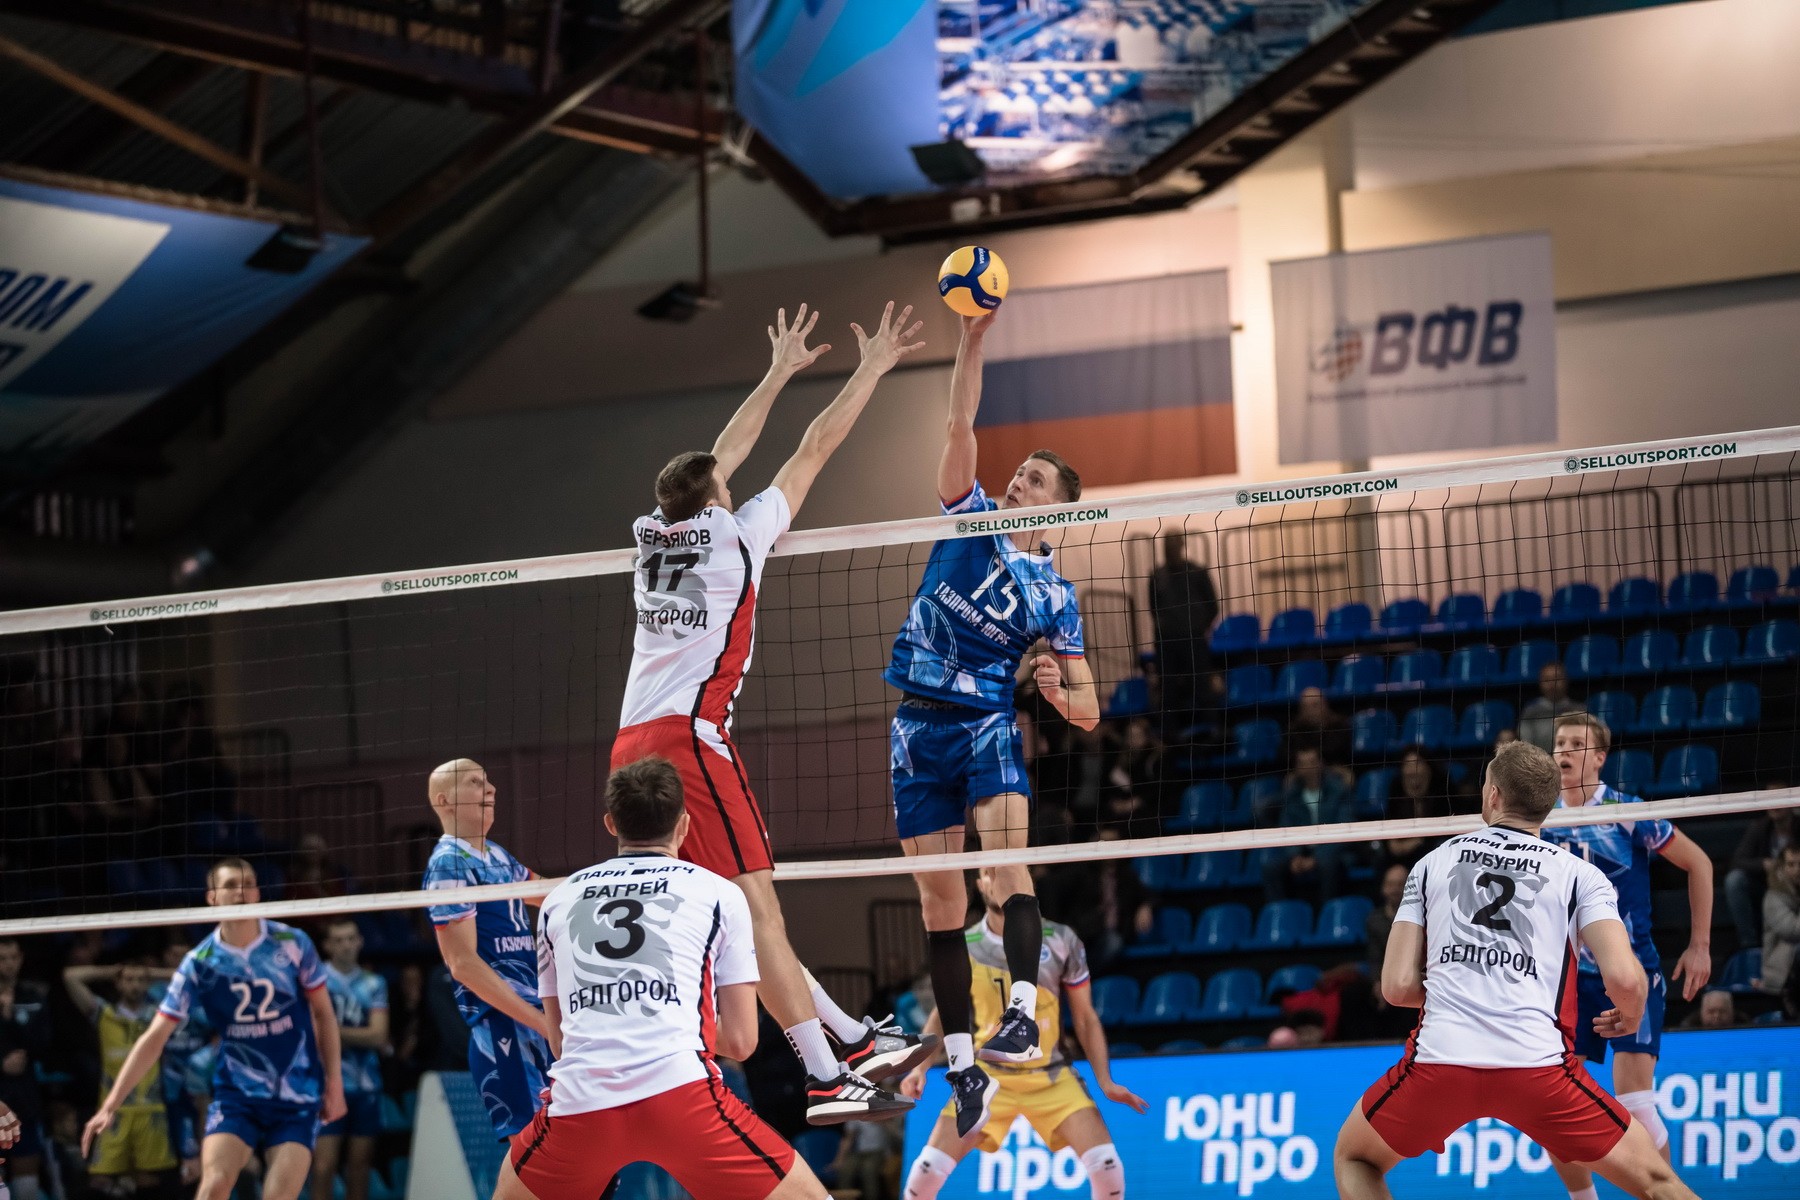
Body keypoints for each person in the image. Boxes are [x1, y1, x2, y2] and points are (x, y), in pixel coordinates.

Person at [609, 302, 929, 1123]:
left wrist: (778, 371)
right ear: (719, 499)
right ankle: (824, 1074)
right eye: (726, 484)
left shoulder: (650, 536)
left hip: (629, 745)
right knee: (759, 909)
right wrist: (870, 367)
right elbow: (811, 447)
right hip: (689, 742)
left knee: (741, 916)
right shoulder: (737, 536)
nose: (734, 481)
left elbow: (716, 459)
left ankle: (851, 1039)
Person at [885, 308, 1100, 1137]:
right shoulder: (969, 515)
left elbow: (1089, 711)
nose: (1018, 482)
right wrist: (971, 342)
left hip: (985, 725)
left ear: (1060, 511)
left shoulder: (1058, 596)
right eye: (1019, 472)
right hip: (916, 729)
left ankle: (1019, 1014)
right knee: (939, 905)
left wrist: (1054, 693)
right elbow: (959, 424)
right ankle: (964, 1067)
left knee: (1009, 873)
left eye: (1035, 481)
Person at [1332, 741, 1697, 1200]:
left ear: (1493, 795)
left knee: (1355, 1158)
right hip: (1537, 1069)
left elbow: (1397, 987)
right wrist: (1630, 1011)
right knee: (1658, 1183)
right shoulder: (1580, 875)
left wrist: (1461, 984)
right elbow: (1625, 978)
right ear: (1548, 803)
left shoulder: (1431, 863)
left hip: (1441, 1063)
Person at [491, 756, 827, 1200]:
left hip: (581, 1105)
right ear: (684, 824)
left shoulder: (558, 899)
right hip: (682, 1097)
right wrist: (668, 1018)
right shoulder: (720, 893)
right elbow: (742, 1042)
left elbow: (560, 1043)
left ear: (611, 824)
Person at [81, 858, 346, 1200]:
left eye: (248, 883)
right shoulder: (200, 962)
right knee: (213, 1186)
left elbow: (324, 1014)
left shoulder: (292, 942)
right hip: (237, 1096)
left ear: (258, 893)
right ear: (212, 897)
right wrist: (110, 1104)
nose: (241, 892)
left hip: (296, 1095)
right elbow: (155, 1036)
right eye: (231, 885)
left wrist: (334, 1083)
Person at [1543, 712, 1714, 1200]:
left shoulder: (1626, 810)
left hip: (1629, 972)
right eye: (1559, 743)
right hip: (1568, 981)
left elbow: (1699, 862)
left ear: (1600, 757)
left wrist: (1700, 946)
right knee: (1553, 1107)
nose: (1564, 751)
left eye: (1576, 744)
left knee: (1636, 1101)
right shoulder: (1540, 819)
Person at [899, 870, 1144, 1200]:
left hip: (1050, 1074)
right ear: (979, 885)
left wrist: (1105, 1080)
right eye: (987, 874)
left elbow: (1085, 1018)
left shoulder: (1061, 940)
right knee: (926, 1172)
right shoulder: (963, 946)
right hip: (987, 1078)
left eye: (1001, 872)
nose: (994, 879)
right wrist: (920, 1067)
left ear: (1021, 879)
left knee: (1107, 1167)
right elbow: (942, 1016)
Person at [422, 759, 553, 1143]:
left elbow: (547, 892)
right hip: (502, 1026)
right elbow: (462, 964)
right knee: (533, 1155)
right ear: (445, 801)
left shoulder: (496, 855)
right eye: (475, 782)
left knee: (551, 1156)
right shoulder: (448, 865)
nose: (491, 789)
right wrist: (539, 1021)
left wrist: (608, 884)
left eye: (489, 781)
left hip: (534, 1020)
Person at [64, 960, 179, 1194]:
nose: (135, 985)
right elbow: (70, 976)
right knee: (99, 1180)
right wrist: (113, 971)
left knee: (149, 1181)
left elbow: (190, 976)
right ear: (118, 983)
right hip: (113, 1113)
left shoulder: (158, 1015)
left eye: (140, 980)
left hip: (150, 1110)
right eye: (129, 980)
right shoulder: (104, 1014)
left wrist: (151, 972)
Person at [311, 920, 388, 1200]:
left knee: (360, 1167)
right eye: (339, 940)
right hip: (325, 1085)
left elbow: (378, 1036)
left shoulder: (374, 983)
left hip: (366, 1085)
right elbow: (311, 1033)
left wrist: (330, 1032)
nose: (346, 945)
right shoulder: (315, 979)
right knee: (323, 1166)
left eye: (351, 938)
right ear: (327, 946)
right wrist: (356, 1035)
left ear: (360, 942)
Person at [1261, 744, 1356, 904]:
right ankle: (1281, 911)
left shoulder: (1339, 791)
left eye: (1312, 761)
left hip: (1331, 850)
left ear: (1321, 764)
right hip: (1302, 850)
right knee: (1270, 866)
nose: (1308, 767)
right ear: (1297, 768)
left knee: (1328, 864)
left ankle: (1327, 910)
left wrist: (1316, 858)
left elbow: (1345, 829)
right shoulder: (1291, 796)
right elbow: (1286, 829)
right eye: (1302, 763)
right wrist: (1295, 856)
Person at [1147, 531, 1219, 735]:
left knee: (1202, 686)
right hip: (1167, 643)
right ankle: (1170, 738)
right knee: (1168, 691)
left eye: (1173, 544)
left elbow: (1212, 606)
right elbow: (1154, 608)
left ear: (1181, 545)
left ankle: (1210, 733)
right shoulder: (1156, 576)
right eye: (1166, 544)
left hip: (1193, 639)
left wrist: (1197, 627)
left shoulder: (1197, 572)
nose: (1169, 549)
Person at [0, 939, 50, 1200]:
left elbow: (44, 1044)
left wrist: (11, 1019)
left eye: (13, 958)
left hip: (23, 1099)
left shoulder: (33, 997)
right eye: (2, 958)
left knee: (27, 1186)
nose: (8, 964)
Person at [1726, 801, 1794, 951]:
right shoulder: (1760, 827)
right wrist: (1763, 864)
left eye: (1779, 798)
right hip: (1766, 886)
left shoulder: (1797, 826)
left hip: (1794, 888)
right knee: (1735, 880)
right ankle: (1750, 946)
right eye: (1771, 797)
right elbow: (1737, 861)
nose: (1775, 805)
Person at [1762, 842, 1800, 996]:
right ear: (1782, 867)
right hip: (1781, 969)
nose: (1797, 870)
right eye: (1791, 864)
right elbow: (1793, 931)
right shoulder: (1773, 897)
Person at [1518, 661, 1579, 753]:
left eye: (1557, 678)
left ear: (1566, 681)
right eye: (1547, 680)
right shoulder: (1530, 711)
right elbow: (1526, 744)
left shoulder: (1579, 710)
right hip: (1538, 759)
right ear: (1540, 683)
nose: (1552, 684)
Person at [1287, 687, 1351, 767]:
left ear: (1324, 705)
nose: (1310, 710)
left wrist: (1314, 755)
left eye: (1315, 705)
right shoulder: (1294, 729)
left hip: (1334, 768)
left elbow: (1340, 751)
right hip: (1301, 770)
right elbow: (1285, 754)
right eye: (1305, 707)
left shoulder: (1340, 725)